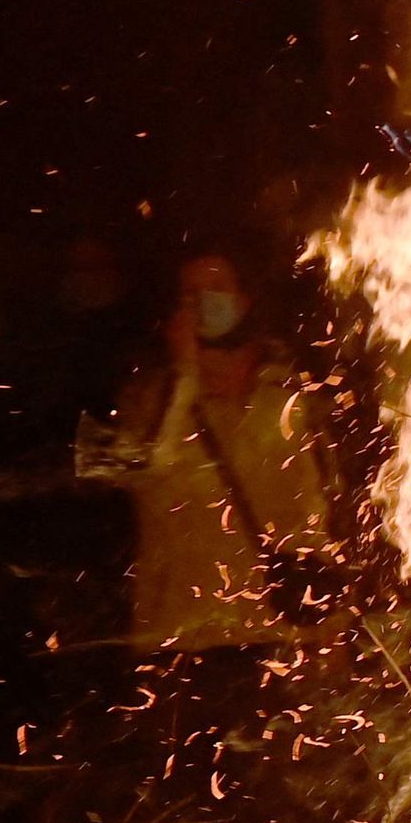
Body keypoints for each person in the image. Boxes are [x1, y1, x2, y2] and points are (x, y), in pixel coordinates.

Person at [100, 254, 333, 650]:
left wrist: (330, 624)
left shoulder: (289, 396)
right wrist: (185, 373)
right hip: (183, 642)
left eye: (217, 289)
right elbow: (137, 473)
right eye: (191, 294)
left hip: (279, 637)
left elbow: (316, 515)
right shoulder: (148, 400)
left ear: (243, 300)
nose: (204, 302)